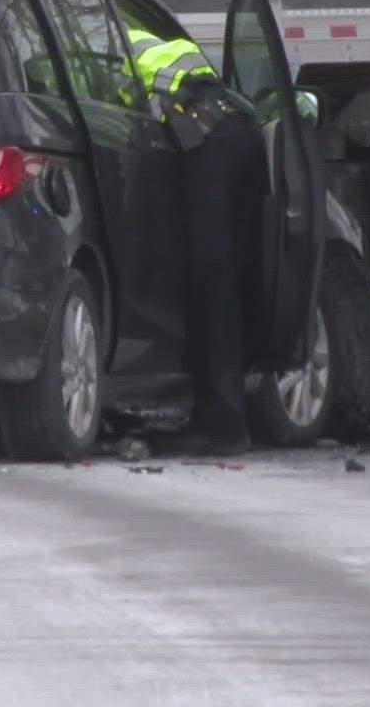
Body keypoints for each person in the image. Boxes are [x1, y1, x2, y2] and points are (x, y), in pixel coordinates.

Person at [125, 27, 267, 456]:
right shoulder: (136, 32)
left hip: (207, 141)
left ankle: (223, 427)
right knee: (234, 279)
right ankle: (233, 414)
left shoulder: (89, 47)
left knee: (211, 285)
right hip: (236, 129)